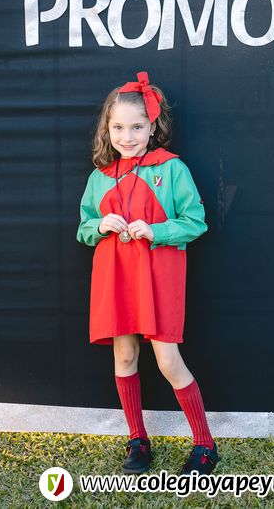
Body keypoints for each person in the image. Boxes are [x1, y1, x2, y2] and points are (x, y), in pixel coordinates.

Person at [77, 71, 219, 476]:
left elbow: (195, 221)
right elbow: (84, 229)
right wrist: (100, 224)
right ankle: (138, 440)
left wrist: (157, 231)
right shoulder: (99, 178)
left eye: (137, 127)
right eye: (118, 127)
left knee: (168, 361)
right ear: (107, 129)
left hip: (157, 277)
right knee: (124, 355)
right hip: (115, 277)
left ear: (152, 127)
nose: (127, 136)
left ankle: (205, 445)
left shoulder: (171, 169)